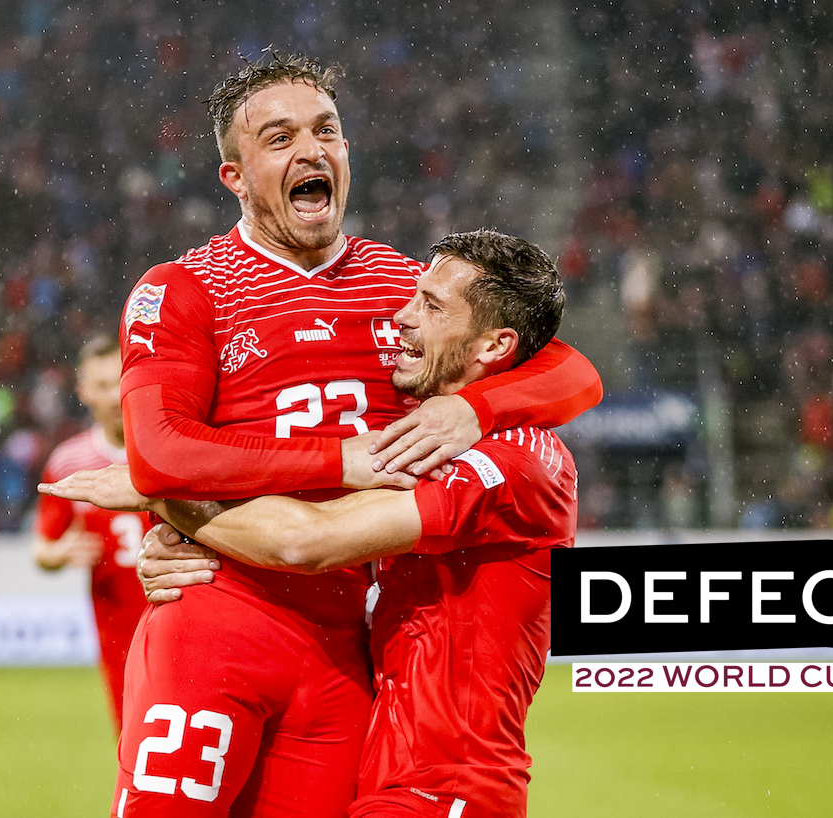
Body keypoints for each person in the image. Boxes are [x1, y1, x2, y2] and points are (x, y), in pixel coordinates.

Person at [103, 53, 601, 817]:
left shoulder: (408, 288)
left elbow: (572, 371)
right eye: (279, 138)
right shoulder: (185, 287)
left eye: (326, 131)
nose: (311, 150)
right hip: (216, 616)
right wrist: (337, 458)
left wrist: (481, 409)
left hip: (343, 649)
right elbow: (160, 452)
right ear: (234, 176)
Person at [44, 229, 577, 817]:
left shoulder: (510, 462)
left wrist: (166, 495)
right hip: (385, 772)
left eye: (429, 305)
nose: (401, 316)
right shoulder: (438, 438)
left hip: (449, 788)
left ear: (494, 346)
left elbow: (307, 539)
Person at [32, 335, 148, 734]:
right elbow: (42, 551)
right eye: (101, 385)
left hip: (185, 615)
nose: (115, 395)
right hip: (117, 632)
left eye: (120, 380)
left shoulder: (167, 449)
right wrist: (62, 552)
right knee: (133, 737)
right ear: (83, 392)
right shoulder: (69, 462)